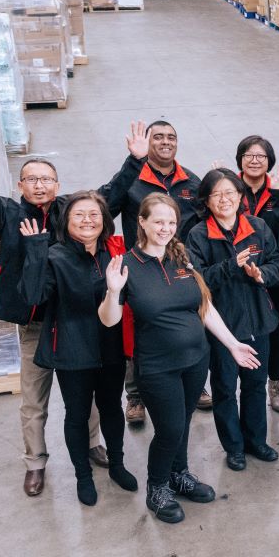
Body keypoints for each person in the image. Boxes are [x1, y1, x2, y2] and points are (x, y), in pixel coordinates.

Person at [0, 101, 144, 497]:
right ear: (21, 185)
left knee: (86, 395)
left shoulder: (71, 213)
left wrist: (134, 160)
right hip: (34, 324)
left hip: (77, 321)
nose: (40, 185)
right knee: (35, 399)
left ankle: (94, 444)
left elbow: (107, 198)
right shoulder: (7, 214)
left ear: (58, 185)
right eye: (32, 179)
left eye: (47, 178)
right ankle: (35, 462)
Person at [99, 193, 261, 524]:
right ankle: (157, 487)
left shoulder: (181, 258)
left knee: (182, 425)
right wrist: (113, 291)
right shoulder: (127, 265)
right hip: (157, 366)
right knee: (170, 428)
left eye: (171, 222)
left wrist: (231, 344)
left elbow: (204, 306)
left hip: (195, 361)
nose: (165, 228)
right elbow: (109, 320)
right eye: (158, 221)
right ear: (141, 222)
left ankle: (179, 474)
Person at [18, 193, 138, 506]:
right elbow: (33, 296)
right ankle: (83, 477)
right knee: (77, 414)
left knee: (112, 407)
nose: (87, 221)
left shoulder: (114, 253)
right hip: (72, 348)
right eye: (79, 215)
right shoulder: (54, 256)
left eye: (94, 214)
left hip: (110, 347)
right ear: (67, 222)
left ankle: (117, 465)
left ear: (104, 220)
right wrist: (33, 249)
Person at [186, 169, 279, 471]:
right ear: (206, 201)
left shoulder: (258, 227)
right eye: (216, 194)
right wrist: (231, 266)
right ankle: (234, 447)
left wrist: (261, 274)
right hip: (222, 328)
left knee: (255, 385)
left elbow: (277, 265)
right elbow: (197, 281)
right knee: (225, 388)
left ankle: (257, 441)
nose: (224, 199)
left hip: (259, 321)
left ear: (241, 196)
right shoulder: (199, 235)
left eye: (230, 192)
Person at [109, 120, 204, 428]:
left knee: (186, 319)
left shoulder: (191, 181)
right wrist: (132, 162)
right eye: (158, 137)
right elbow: (107, 205)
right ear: (148, 142)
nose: (165, 142)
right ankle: (135, 395)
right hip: (142, 266)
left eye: (171, 137)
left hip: (179, 266)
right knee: (137, 329)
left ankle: (192, 379)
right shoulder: (133, 178)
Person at [236, 135, 279, 413]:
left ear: (269, 160)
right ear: (240, 160)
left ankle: (274, 381)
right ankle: (242, 383)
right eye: (249, 155)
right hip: (237, 272)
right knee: (237, 328)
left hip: (273, 275)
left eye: (261, 156)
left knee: (272, 329)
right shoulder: (230, 188)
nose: (255, 160)